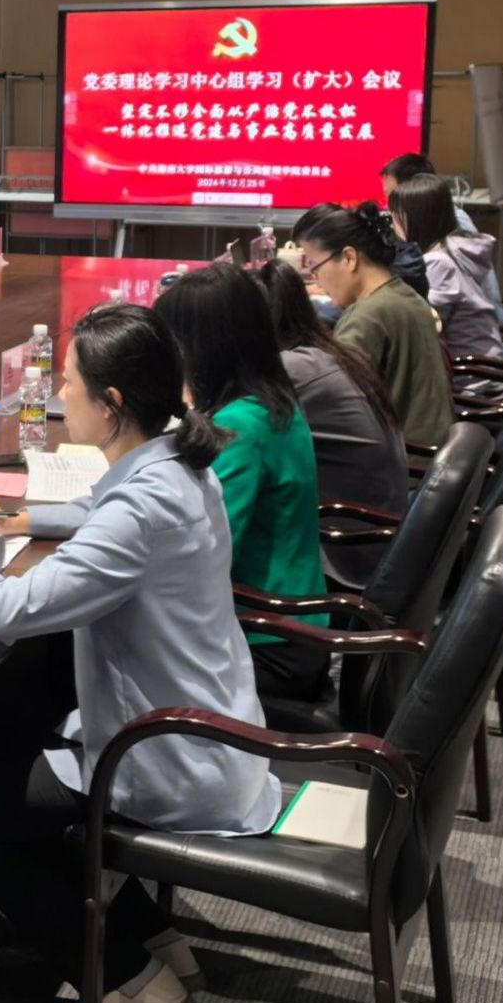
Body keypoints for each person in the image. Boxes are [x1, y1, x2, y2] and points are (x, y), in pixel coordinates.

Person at [0, 304, 279, 1003]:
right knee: (5, 741)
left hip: (166, 756)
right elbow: (104, 505)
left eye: (69, 383)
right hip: (210, 728)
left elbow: (16, 607)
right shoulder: (179, 461)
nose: (60, 394)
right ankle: (156, 941)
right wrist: (24, 520)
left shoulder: (143, 508)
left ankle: (130, 980)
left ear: (111, 403)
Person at [155, 266, 332, 703]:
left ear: (201, 348)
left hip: (266, 643)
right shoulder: (269, 400)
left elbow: (201, 553)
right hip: (291, 628)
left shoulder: (241, 428)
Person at [256, 260, 410, 590]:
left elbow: (227, 430)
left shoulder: (293, 370)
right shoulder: (326, 353)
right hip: (378, 535)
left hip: (346, 554)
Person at [295, 202, 455, 447]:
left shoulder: (366, 318)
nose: (316, 279)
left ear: (349, 258)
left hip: (406, 460)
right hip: (433, 450)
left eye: (315, 267)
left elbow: (335, 407)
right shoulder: (405, 294)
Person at [389, 173, 503, 361]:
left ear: (415, 218)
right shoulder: (457, 246)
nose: (393, 225)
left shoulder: (438, 263)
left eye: (396, 216)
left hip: (471, 371)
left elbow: (422, 325)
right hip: (486, 360)